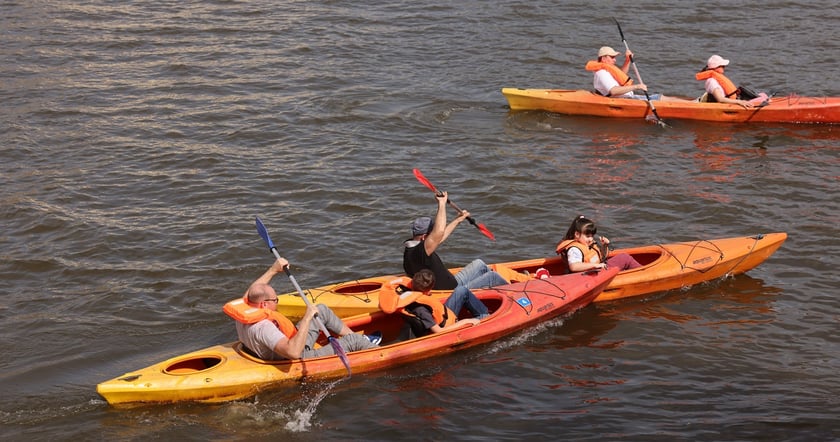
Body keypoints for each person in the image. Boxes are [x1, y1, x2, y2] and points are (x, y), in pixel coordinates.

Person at [223, 257, 379, 360]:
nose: (277, 303)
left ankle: (362, 342)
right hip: (298, 355)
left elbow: (254, 290)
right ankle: (376, 351)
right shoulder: (263, 327)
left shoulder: (245, 308)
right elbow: (293, 353)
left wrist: (273, 270)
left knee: (321, 309)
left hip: (289, 342)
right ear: (264, 304)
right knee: (352, 341)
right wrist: (307, 317)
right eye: (275, 300)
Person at [403, 191, 505, 315]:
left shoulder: (416, 246)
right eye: (432, 232)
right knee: (492, 277)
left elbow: (439, 237)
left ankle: (492, 295)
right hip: (451, 292)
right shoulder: (418, 254)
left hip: (454, 281)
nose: (435, 234)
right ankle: (517, 296)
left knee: (479, 264)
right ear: (424, 237)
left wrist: (457, 220)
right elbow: (439, 232)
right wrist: (441, 204)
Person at [379, 269, 482, 339]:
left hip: (444, 315)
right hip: (446, 325)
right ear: (429, 290)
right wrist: (467, 321)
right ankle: (484, 316)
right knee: (464, 294)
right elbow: (439, 331)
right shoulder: (421, 310)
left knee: (461, 291)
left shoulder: (402, 294)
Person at [586, 46, 686, 101]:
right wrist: (637, 86)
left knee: (660, 97)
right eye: (612, 57)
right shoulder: (602, 73)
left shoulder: (607, 69)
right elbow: (614, 91)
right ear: (603, 58)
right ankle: (692, 105)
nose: (615, 60)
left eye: (614, 57)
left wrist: (627, 60)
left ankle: (692, 103)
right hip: (625, 100)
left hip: (629, 98)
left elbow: (621, 76)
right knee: (659, 98)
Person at [555, 215, 641, 273]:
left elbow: (602, 257)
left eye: (592, 236)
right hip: (589, 276)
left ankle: (637, 272)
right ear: (577, 234)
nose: (591, 239)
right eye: (587, 236)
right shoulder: (574, 249)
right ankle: (642, 272)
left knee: (623, 257)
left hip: (597, 270)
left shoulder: (587, 244)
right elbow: (574, 267)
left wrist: (605, 245)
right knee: (624, 258)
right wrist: (596, 265)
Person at [695, 54, 767, 109]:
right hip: (723, 105)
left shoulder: (716, 78)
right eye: (722, 66)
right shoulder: (712, 81)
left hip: (732, 100)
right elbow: (720, 99)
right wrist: (740, 102)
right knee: (762, 99)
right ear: (716, 67)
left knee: (763, 96)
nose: (724, 67)